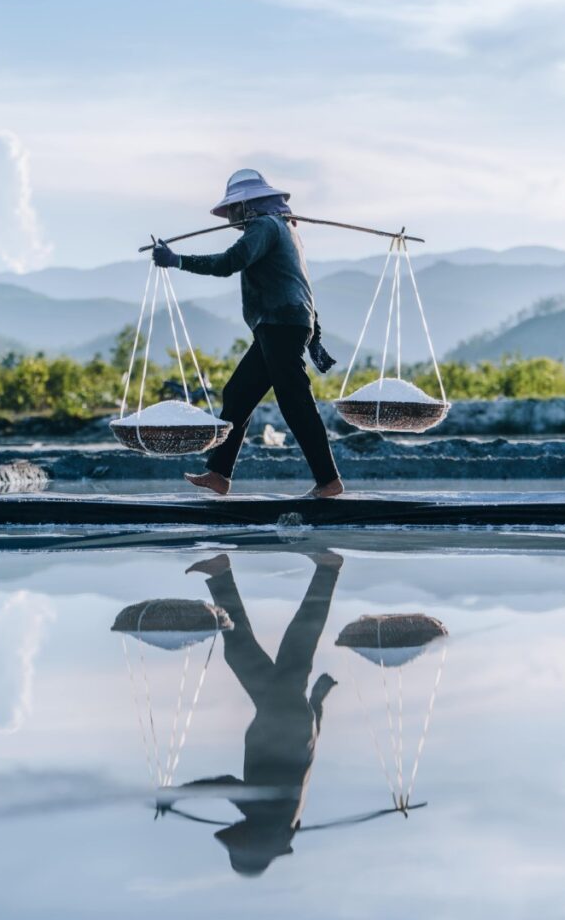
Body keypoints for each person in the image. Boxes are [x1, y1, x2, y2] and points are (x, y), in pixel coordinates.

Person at [153, 169, 343, 498]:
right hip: (280, 323)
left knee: (295, 401)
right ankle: (219, 474)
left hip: (281, 323)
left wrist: (177, 260)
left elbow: (229, 262)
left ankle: (329, 481)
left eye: (233, 209)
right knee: (238, 393)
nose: (231, 216)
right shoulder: (282, 227)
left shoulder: (265, 226)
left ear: (247, 206)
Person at [179, 551, 342, 876]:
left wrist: (317, 702)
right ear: (254, 842)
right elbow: (225, 785)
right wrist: (177, 795)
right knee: (296, 643)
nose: (235, 833)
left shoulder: (281, 818)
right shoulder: (268, 815)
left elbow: (308, 755)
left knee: (247, 653)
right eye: (239, 841)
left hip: (290, 722)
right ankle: (327, 569)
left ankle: (221, 575)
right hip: (284, 721)